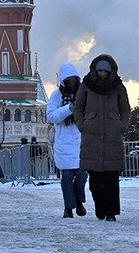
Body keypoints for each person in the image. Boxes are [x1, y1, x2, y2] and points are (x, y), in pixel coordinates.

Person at [73, 54, 129, 222]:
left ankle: (111, 212)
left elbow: (125, 109)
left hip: (112, 137)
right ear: (94, 71)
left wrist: (121, 126)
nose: (102, 74)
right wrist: (83, 125)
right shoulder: (86, 86)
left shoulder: (118, 87)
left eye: (105, 71)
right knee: (95, 181)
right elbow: (78, 108)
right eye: (100, 71)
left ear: (111, 71)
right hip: (92, 138)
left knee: (111, 179)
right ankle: (100, 206)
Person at [48, 62, 88, 219]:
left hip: (81, 141)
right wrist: (68, 109)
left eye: (73, 79)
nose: (71, 82)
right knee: (66, 179)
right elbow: (51, 116)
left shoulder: (84, 95)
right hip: (64, 142)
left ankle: (79, 201)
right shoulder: (56, 96)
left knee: (82, 177)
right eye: (68, 80)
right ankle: (68, 208)